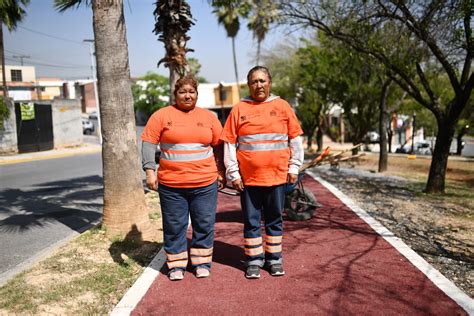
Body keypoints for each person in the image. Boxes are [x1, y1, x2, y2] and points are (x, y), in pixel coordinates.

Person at [221, 66, 304, 279]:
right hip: (249, 180)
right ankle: (253, 261)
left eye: (262, 81)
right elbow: (229, 144)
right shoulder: (239, 109)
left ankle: (274, 259)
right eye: (254, 82)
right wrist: (234, 174)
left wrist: (294, 167)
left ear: (270, 83)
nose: (259, 85)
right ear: (249, 85)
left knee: (274, 219)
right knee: (251, 220)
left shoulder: (283, 106)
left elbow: (295, 140)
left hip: (277, 177)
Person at [141, 75, 225, 281]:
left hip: (205, 183)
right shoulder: (161, 116)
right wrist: (150, 171)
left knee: (204, 223)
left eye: (191, 92)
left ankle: (201, 263)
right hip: (171, 185)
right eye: (183, 92)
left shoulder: (209, 117)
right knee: (174, 225)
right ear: (175, 94)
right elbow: (148, 143)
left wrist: (220, 170)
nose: (187, 96)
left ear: (197, 94)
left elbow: (220, 146)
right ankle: (176, 265)